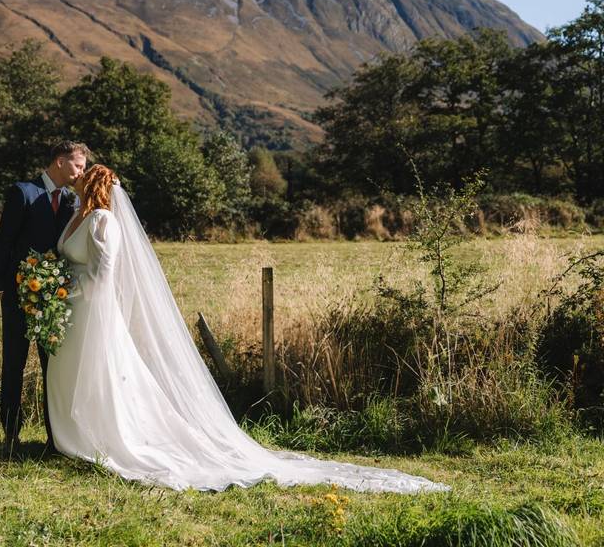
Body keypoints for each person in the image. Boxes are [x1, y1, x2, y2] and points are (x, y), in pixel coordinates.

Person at [47, 164, 449, 493]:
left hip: (90, 312)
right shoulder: (79, 217)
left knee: (103, 375)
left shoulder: (102, 221)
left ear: (95, 185)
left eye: (84, 179)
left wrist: (65, 290)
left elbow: (103, 275)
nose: (77, 182)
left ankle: (104, 437)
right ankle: (79, 433)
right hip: (75, 313)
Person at [0, 141, 89, 456]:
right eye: (78, 166)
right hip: (19, 294)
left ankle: (55, 438)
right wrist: (3, 288)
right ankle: (11, 436)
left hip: (56, 297)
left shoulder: (73, 200)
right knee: (14, 365)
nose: (81, 172)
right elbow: (4, 241)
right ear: (60, 162)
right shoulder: (23, 192)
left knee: (54, 369)